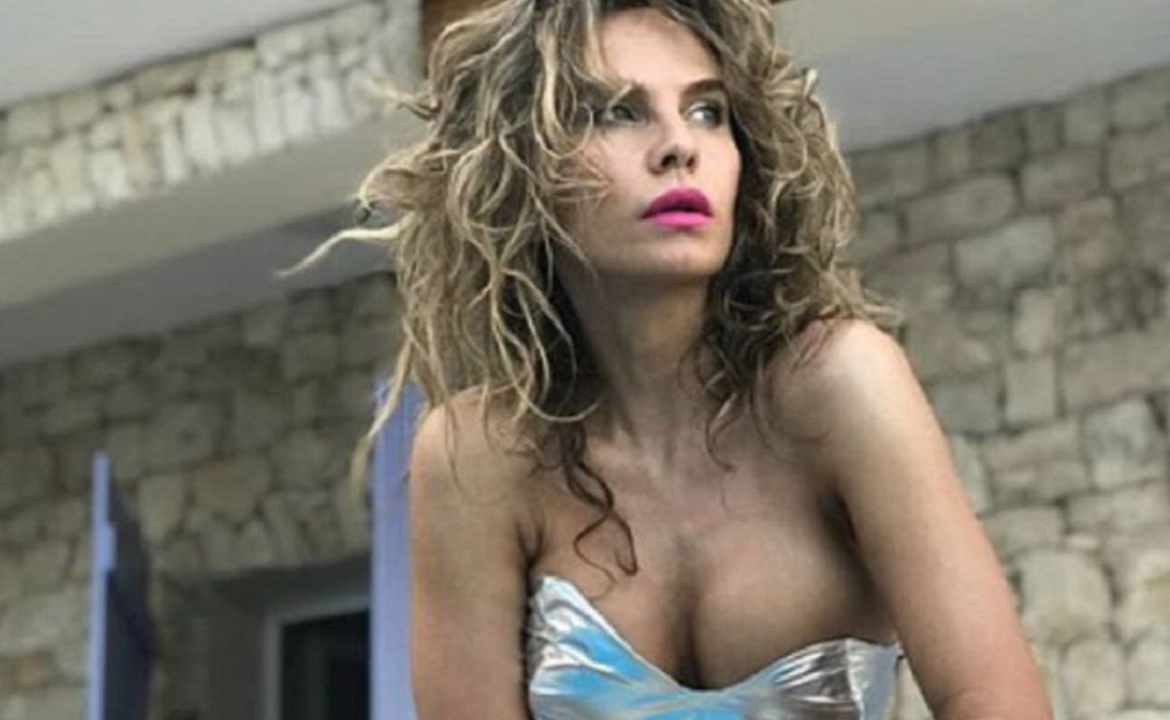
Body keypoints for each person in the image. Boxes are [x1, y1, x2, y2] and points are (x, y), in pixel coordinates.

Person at [304, 0, 1054, 717]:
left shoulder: (838, 386)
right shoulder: (478, 457)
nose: (678, 145)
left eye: (707, 111)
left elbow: (993, 701)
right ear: (522, 167)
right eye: (616, 111)